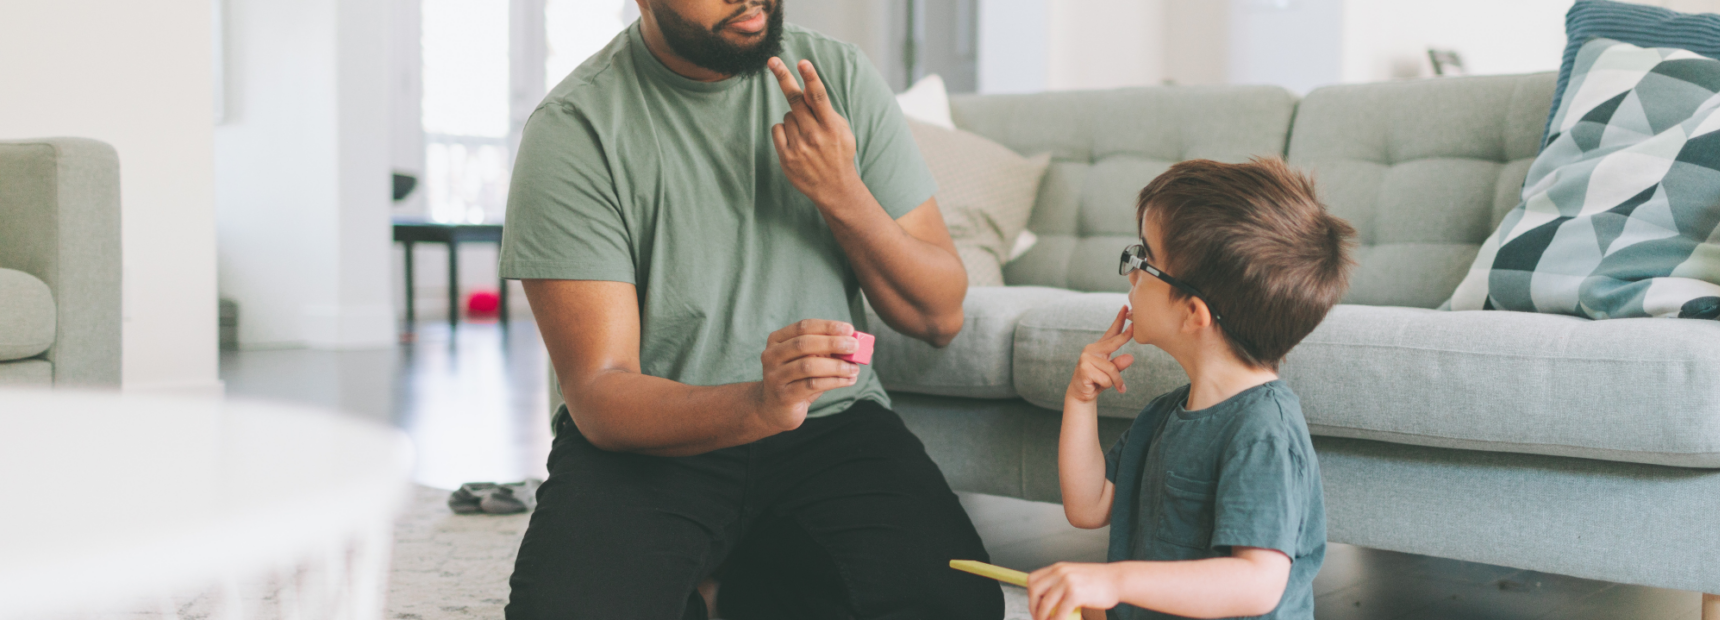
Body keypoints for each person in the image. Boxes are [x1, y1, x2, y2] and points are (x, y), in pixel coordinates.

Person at [495, 0, 1002, 617]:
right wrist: (761, 403)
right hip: (655, 436)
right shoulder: (575, 128)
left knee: (955, 607)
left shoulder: (836, 75)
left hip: (832, 423)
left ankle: (739, 583)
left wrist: (842, 193)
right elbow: (601, 394)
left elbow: (939, 316)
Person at [1026, 159, 1357, 620]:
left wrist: (1113, 580)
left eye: (1145, 261)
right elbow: (1088, 506)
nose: (1131, 274)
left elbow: (1257, 583)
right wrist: (1080, 401)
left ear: (1194, 314)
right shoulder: (1166, 414)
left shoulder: (1262, 432)